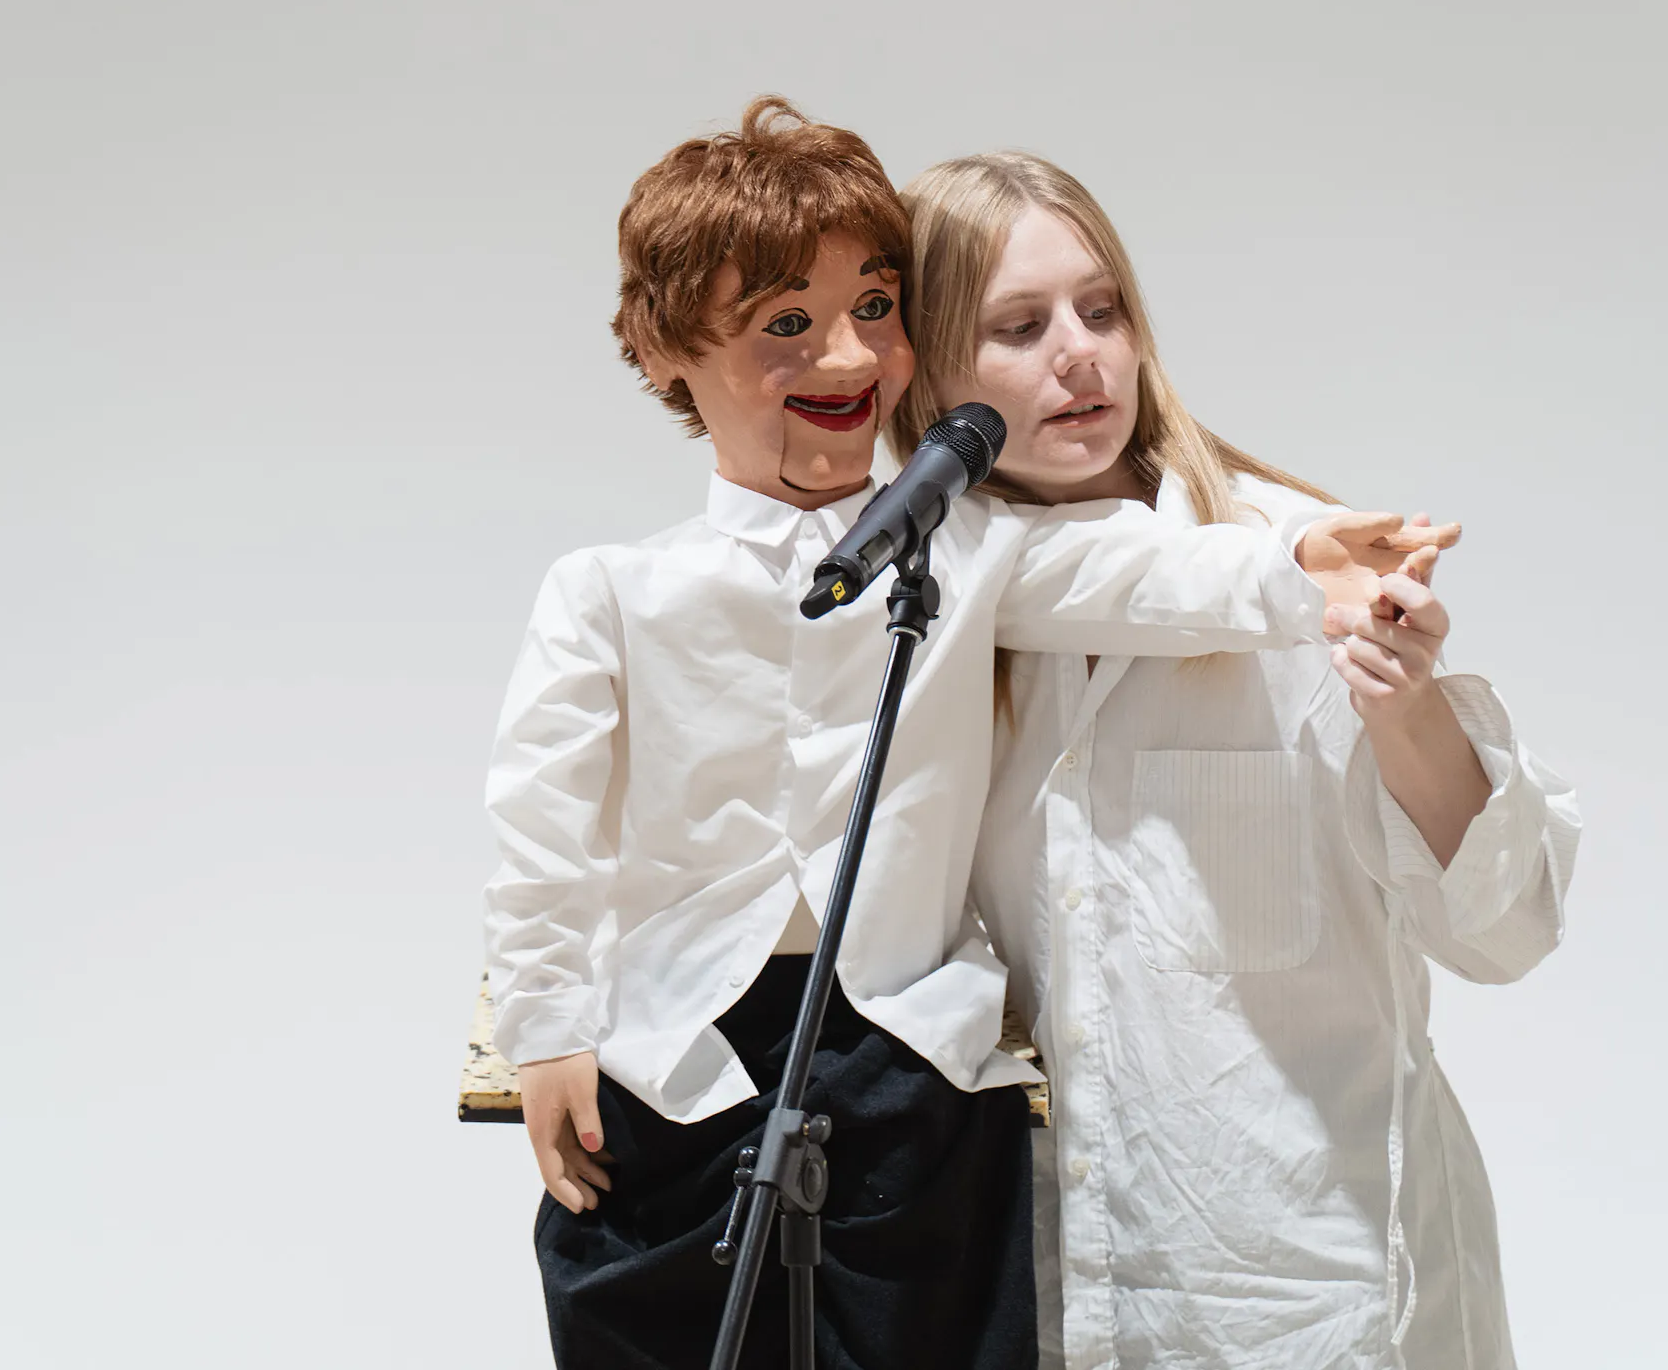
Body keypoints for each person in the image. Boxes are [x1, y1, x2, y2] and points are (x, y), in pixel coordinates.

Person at [480, 99, 1449, 1370]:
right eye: (786, 323)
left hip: (906, 1055)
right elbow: (540, 822)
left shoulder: (971, 544)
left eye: (874, 308)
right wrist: (547, 1025)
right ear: (669, 351)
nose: (845, 355)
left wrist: (1301, 559)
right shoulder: (610, 589)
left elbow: (1140, 575)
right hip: (682, 1058)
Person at [889, 151, 1581, 1370]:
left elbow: (1504, 932)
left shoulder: (1292, 561)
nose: (1081, 353)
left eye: (1103, 310)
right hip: (1058, 1294)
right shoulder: (936, 617)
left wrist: (1407, 710)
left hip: (1325, 1304)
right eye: (1019, 325)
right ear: (934, 368)